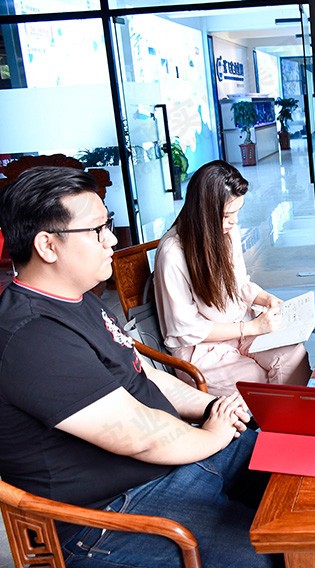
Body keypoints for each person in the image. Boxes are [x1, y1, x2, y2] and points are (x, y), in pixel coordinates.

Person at [0, 166, 277, 567]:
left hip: (172, 464)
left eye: (108, 223)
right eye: (97, 230)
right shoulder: (32, 336)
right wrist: (212, 435)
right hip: (112, 513)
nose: (112, 238)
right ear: (47, 245)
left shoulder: (79, 299)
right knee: (266, 555)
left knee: (292, 466)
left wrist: (214, 408)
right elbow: (139, 437)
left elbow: (145, 376)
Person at [154, 160, 311, 396]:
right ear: (203, 213)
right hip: (202, 348)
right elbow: (186, 329)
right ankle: (279, 417)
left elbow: (239, 284)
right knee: (256, 379)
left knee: (294, 357)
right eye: (227, 214)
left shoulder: (226, 232)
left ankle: (294, 418)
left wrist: (266, 298)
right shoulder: (173, 253)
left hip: (241, 329)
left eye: (237, 212)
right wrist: (251, 327)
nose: (234, 221)